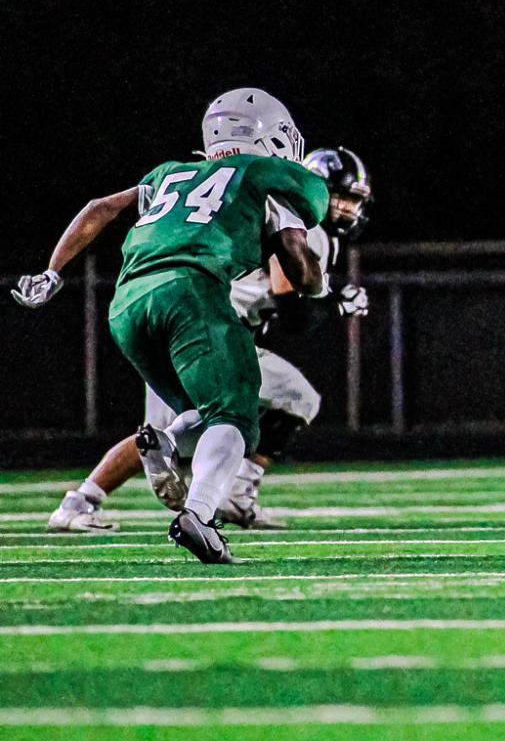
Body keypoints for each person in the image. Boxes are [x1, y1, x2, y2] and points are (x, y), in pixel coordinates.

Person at [14, 88, 329, 563]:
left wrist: (53, 272)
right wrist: (319, 285)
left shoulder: (170, 174)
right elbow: (299, 268)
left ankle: (164, 441)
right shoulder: (264, 178)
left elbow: (100, 207)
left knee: (207, 411)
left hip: (127, 303)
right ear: (271, 136)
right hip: (191, 292)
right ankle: (199, 516)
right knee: (238, 417)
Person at [46, 147, 374, 534]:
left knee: (172, 432)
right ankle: (235, 494)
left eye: (354, 202)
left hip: (172, 317)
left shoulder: (252, 202)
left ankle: (80, 501)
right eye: (343, 198)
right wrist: (333, 295)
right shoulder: (300, 222)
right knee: (289, 398)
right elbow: (288, 299)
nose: (348, 210)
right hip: (209, 326)